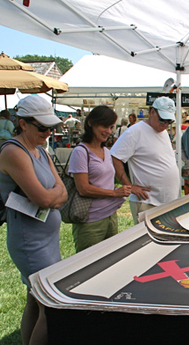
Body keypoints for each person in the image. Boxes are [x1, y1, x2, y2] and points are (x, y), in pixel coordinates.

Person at [0, 94, 67, 344]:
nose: (48, 132)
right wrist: (54, 196)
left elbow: (61, 192)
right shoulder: (14, 152)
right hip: (30, 242)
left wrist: (53, 196)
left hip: (45, 238)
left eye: (50, 126)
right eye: (42, 127)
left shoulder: (39, 150)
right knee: (51, 306)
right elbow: (47, 199)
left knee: (35, 298)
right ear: (23, 123)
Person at [68, 106, 131, 252]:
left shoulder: (106, 152)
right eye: (104, 126)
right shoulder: (80, 152)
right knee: (88, 265)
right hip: (91, 221)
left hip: (110, 216)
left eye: (111, 127)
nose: (109, 131)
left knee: (110, 261)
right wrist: (115, 193)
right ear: (91, 123)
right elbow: (83, 189)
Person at [111, 97, 180, 224]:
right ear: (152, 112)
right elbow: (115, 157)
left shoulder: (163, 132)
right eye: (162, 120)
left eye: (169, 122)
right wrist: (129, 186)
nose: (165, 125)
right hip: (148, 202)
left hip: (167, 201)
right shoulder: (134, 132)